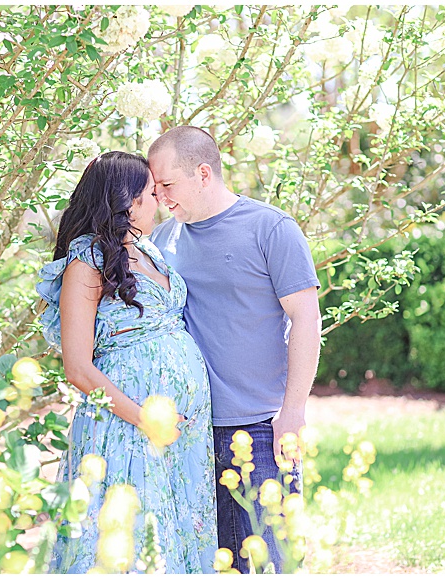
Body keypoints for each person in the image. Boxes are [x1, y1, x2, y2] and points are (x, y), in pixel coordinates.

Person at [147, 126, 321, 574]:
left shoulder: (270, 228)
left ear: (203, 173)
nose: (161, 197)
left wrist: (293, 412)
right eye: (155, 187)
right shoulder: (163, 242)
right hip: (188, 435)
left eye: (168, 185)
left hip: (260, 431)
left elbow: (306, 318)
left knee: (269, 564)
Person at [36, 151, 218, 573]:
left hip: (181, 433)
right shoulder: (86, 264)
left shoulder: (150, 251)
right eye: (152, 193)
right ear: (128, 200)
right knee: (129, 545)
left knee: (174, 537)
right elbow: (78, 367)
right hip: (125, 426)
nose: (160, 201)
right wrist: (145, 419)